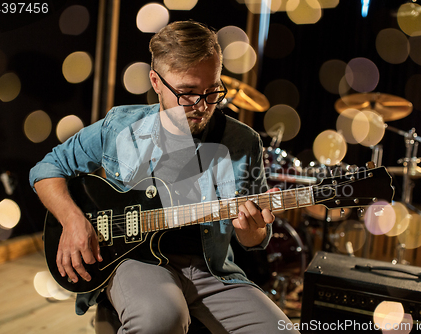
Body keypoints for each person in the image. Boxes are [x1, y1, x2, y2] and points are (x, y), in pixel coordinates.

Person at [30, 21, 300, 334]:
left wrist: (250, 228)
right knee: (162, 318)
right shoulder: (119, 126)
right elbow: (46, 169)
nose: (201, 106)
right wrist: (73, 220)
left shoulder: (243, 142)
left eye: (211, 91)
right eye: (187, 93)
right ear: (156, 82)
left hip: (210, 268)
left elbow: (253, 239)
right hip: (135, 261)